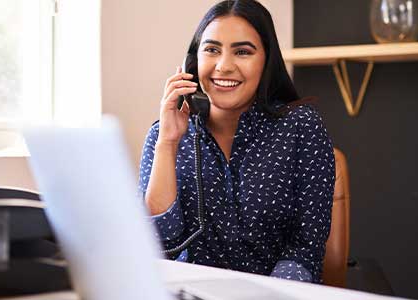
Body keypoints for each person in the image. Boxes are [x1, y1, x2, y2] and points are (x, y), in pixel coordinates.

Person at [138, 0, 335, 284]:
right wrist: (167, 143)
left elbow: (306, 249)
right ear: (192, 63)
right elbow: (157, 249)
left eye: (242, 52)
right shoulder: (163, 136)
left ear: (267, 61)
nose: (224, 66)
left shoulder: (302, 128)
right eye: (212, 50)